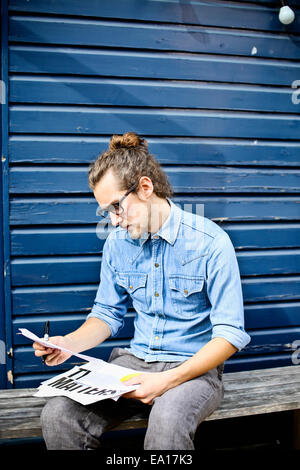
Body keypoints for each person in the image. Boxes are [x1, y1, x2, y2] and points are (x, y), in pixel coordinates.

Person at [33, 132, 251, 450]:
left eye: (118, 207)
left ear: (146, 188)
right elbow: (106, 314)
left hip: (192, 369)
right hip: (134, 364)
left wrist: (166, 380)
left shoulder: (211, 242)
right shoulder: (117, 244)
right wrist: (67, 344)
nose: (114, 221)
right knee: (58, 414)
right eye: (105, 211)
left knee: (166, 423)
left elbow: (229, 335)